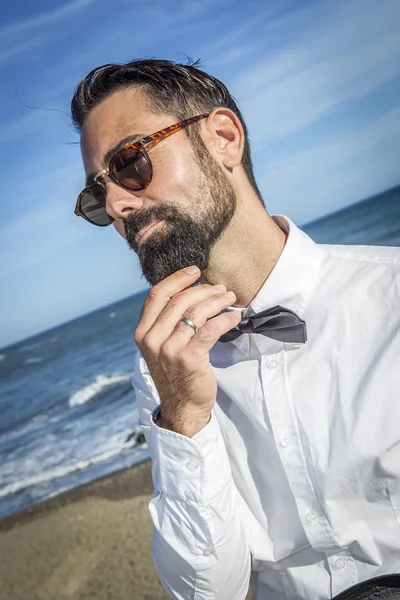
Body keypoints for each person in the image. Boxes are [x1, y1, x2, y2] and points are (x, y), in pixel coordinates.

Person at [71, 59, 400, 600]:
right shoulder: (162, 368)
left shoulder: (388, 298)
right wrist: (184, 415)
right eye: (97, 195)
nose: (117, 205)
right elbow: (206, 592)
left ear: (223, 139)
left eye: (130, 161)